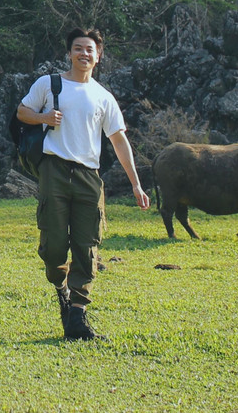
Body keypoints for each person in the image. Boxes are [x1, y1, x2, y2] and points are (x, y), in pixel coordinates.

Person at [17, 27, 149, 340]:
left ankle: (77, 316)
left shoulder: (103, 97)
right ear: (69, 53)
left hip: (90, 176)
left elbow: (118, 141)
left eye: (90, 49)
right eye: (78, 48)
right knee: (53, 248)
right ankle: (61, 287)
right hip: (54, 171)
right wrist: (44, 118)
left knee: (87, 246)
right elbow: (22, 112)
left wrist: (136, 184)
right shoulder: (49, 84)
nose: (84, 54)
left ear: (99, 56)